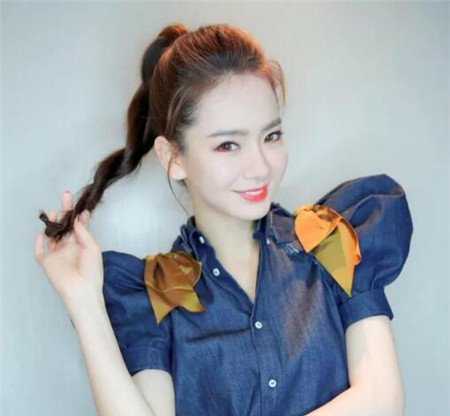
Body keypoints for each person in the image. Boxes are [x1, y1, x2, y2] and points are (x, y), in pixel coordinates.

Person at [34, 23, 413, 416]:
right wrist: (83, 302)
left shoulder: (330, 238)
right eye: (228, 144)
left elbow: (382, 402)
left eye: (271, 136)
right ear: (172, 157)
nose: (260, 167)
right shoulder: (159, 293)